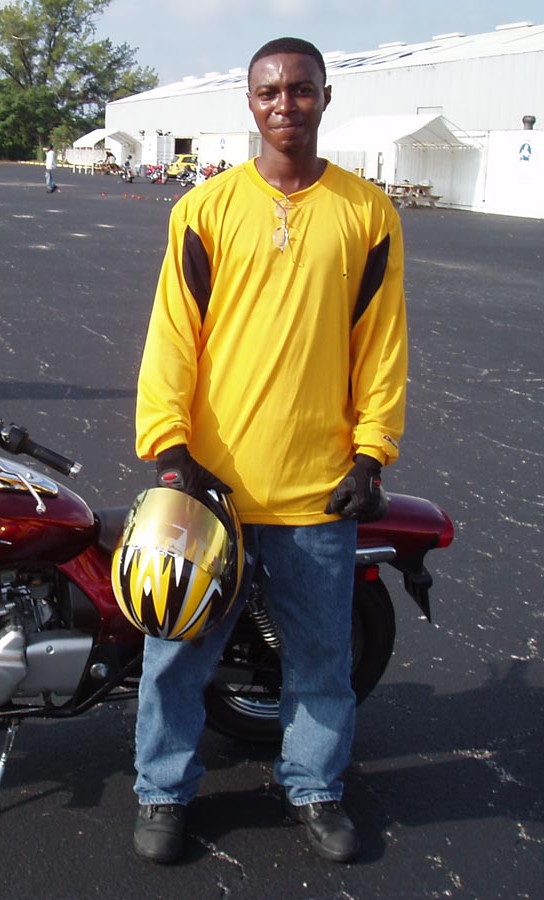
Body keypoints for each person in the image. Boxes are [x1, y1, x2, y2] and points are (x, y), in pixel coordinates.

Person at [130, 36, 407, 866]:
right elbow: (172, 336)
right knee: (177, 657)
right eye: (269, 92)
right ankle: (162, 791)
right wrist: (170, 448)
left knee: (319, 660)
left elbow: (381, 344)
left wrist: (372, 453)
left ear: (326, 96)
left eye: (300, 89)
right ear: (249, 103)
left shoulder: (367, 214)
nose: (285, 104)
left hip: (318, 488)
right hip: (210, 490)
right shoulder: (205, 209)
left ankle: (315, 786)